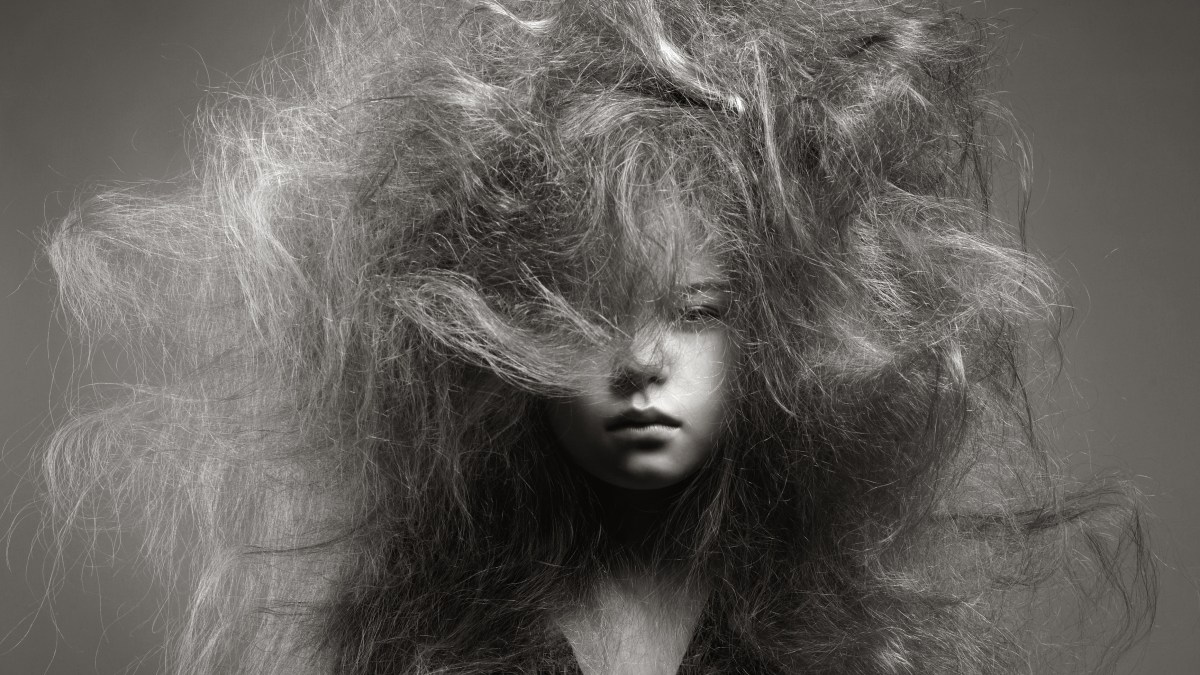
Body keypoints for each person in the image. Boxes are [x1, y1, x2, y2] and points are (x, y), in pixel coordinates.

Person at [45, 0, 1155, 673]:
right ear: (490, 343)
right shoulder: (412, 642)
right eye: (581, 311)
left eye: (697, 309)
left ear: (790, 337)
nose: (640, 361)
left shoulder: (855, 647)